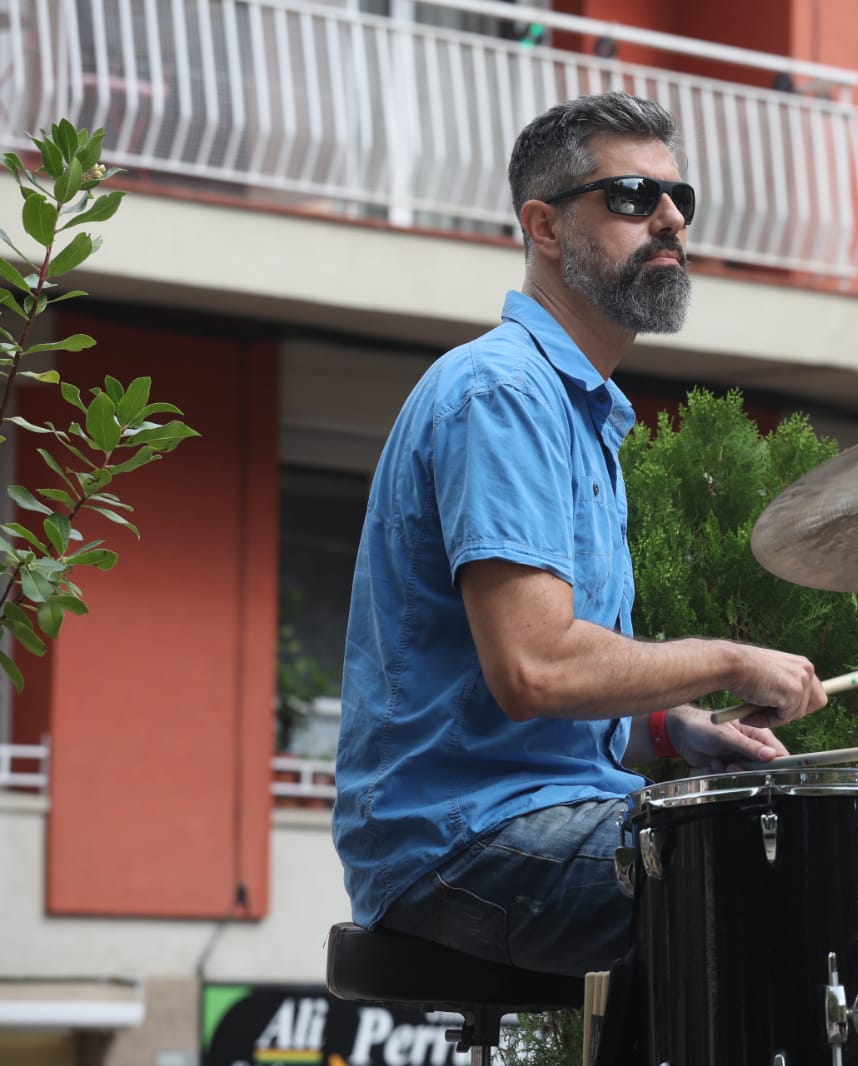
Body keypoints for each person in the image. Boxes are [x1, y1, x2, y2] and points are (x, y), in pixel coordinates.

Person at [332, 92, 829, 977]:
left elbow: (535, 712)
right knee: (794, 878)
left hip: (531, 813)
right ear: (545, 227)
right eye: (633, 196)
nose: (670, 218)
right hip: (462, 841)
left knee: (802, 851)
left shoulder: (579, 411)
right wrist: (727, 660)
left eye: (680, 199)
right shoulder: (504, 396)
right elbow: (536, 670)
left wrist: (675, 732)